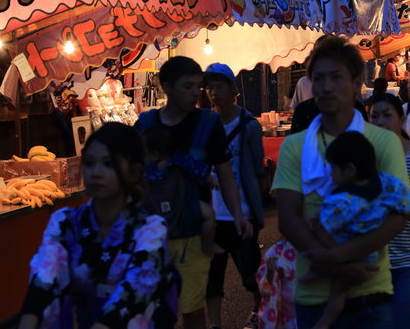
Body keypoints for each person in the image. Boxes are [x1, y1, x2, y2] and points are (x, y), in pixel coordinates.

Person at [272, 36, 410, 329]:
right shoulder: (294, 146)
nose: (326, 86)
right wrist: (343, 266)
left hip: (371, 293)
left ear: (356, 80)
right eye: (318, 78)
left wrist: (333, 257)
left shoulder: (383, 142)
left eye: (336, 77)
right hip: (314, 298)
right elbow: (288, 218)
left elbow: (398, 217)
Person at [18, 123, 178, 329]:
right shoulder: (65, 222)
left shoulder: (150, 229)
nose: (95, 172)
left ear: (135, 171)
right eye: (90, 163)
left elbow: (137, 290)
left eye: (108, 164)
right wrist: (28, 321)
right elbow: (44, 279)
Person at [136, 56, 250, 329]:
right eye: (188, 86)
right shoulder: (144, 124)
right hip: (151, 236)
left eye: (199, 86)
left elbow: (225, 175)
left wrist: (238, 215)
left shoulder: (208, 123)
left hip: (193, 235)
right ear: (166, 87)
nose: (196, 93)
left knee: (192, 311)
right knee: (155, 310)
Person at [307, 131, 410, 329]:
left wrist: (315, 219)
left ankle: (324, 321)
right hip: (370, 253)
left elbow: (327, 224)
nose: (330, 172)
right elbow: (409, 201)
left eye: (333, 167)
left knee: (338, 288)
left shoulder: (342, 200)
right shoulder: (387, 183)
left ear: (350, 170)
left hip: (347, 251)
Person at [203, 63, 267, 329]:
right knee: (212, 276)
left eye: (219, 86)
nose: (213, 92)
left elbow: (258, 169)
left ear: (233, 89)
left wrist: (254, 206)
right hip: (212, 215)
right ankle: (215, 324)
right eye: (209, 87)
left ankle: (259, 312)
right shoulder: (205, 125)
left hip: (243, 213)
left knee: (250, 273)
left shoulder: (249, 126)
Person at [368, 92, 410, 329]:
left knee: (406, 323)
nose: (379, 122)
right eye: (374, 116)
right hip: (370, 259)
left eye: (387, 115)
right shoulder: (363, 159)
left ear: (401, 118)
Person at [140, 123, 224, 255]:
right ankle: (208, 244)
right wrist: (213, 181)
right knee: (209, 214)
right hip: (181, 203)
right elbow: (199, 170)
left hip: (153, 206)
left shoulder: (145, 168)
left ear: (155, 154)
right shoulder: (180, 160)